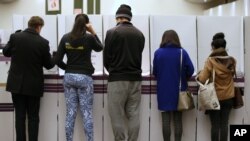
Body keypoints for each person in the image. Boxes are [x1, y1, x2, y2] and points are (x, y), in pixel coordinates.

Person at [3, 16, 55, 141]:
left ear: (29, 24)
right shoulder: (43, 42)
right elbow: (49, 65)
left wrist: (12, 39)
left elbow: (6, 52)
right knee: (33, 117)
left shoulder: (15, 37)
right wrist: (56, 58)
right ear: (39, 27)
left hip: (16, 85)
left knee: (20, 117)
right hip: (33, 86)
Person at [53, 14, 103, 141]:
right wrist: (93, 32)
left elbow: (57, 60)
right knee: (86, 113)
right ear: (86, 24)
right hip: (85, 78)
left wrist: (69, 68)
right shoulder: (89, 38)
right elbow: (100, 47)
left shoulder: (65, 38)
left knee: (70, 112)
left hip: (69, 78)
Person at [103, 4, 145, 141]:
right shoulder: (140, 34)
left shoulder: (112, 32)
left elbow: (106, 58)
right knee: (134, 114)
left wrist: (113, 71)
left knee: (116, 115)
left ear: (118, 17)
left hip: (117, 79)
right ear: (129, 18)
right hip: (135, 79)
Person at [153, 30, 194, 141]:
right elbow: (191, 70)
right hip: (179, 91)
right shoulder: (182, 52)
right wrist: (183, 77)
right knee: (177, 121)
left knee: (165, 121)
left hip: (163, 92)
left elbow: (155, 72)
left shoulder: (158, 53)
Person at [197, 32, 236, 141]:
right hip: (228, 97)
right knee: (224, 124)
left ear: (213, 48)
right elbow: (231, 74)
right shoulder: (232, 60)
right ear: (225, 47)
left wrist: (201, 73)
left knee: (215, 125)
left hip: (215, 97)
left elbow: (202, 79)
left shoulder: (210, 61)